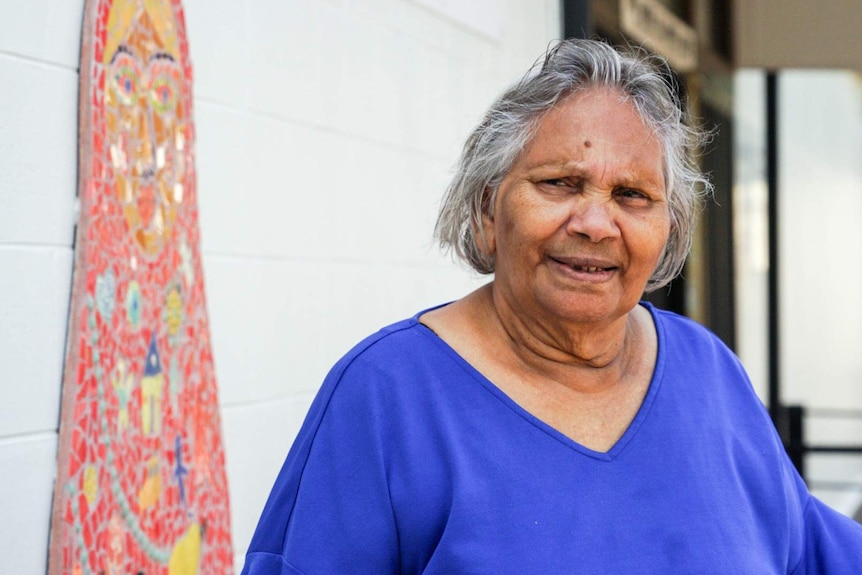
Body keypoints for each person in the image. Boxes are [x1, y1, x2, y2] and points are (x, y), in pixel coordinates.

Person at [242, 39, 862, 573]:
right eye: (560, 183)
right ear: (488, 211)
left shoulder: (708, 371)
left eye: (632, 195)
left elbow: (810, 550)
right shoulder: (387, 396)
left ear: (666, 231)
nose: (596, 223)